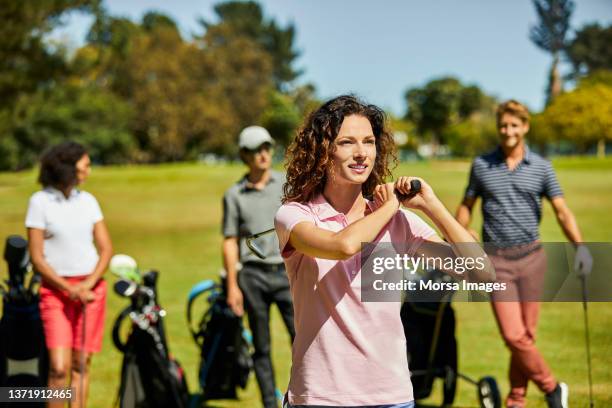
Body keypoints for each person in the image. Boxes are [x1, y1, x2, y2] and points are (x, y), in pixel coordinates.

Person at [274, 95, 495, 407]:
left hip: (391, 396)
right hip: (321, 396)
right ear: (323, 151)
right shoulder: (295, 215)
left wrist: (432, 206)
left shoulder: (397, 221)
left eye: (369, 141)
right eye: (347, 142)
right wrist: (391, 206)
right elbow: (343, 246)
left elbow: (483, 276)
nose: (362, 153)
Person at [455, 100, 593, 408]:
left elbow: (562, 211)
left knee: (526, 337)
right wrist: (460, 237)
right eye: (503, 125)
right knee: (513, 335)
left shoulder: (542, 167)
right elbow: (466, 205)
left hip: (532, 259)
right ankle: (552, 387)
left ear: (525, 127)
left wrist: (580, 248)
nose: (508, 131)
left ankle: (516, 400)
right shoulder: (481, 165)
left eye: (514, 125)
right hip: (496, 262)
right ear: (498, 127)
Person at [26, 141, 113, 408]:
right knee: (59, 368)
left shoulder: (87, 201)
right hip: (56, 293)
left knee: (81, 365)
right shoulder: (40, 202)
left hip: (90, 292)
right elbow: (37, 258)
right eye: (85, 165)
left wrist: (87, 284)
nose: (88, 170)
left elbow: (106, 249)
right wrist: (69, 288)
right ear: (68, 167)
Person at [222, 126, 296, 408]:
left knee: (301, 339)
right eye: (255, 150)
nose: (263, 154)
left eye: (266, 148)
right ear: (244, 155)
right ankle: (269, 403)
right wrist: (232, 286)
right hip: (252, 276)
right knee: (261, 346)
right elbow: (230, 241)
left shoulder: (287, 184)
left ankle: (305, 399)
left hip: (288, 272)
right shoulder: (234, 195)